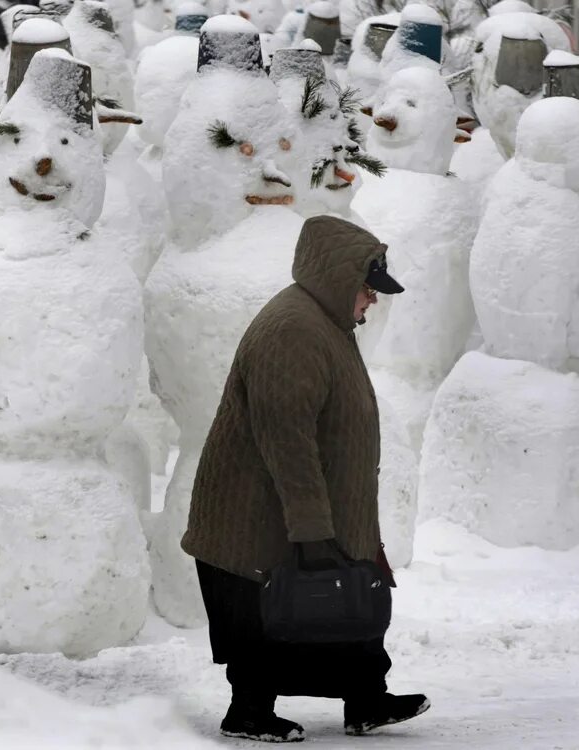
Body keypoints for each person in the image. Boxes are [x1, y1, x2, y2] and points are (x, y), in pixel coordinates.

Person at [182, 215, 430, 743]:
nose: (373, 301)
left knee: (349, 602)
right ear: (341, 280)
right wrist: (313, 529)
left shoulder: (325, 322)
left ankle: (366, 699)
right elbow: (287, 442)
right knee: (268, 616)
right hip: (257, 521)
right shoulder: (293, 330)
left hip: (310, 511)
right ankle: (248, 711)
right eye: (369, 289)